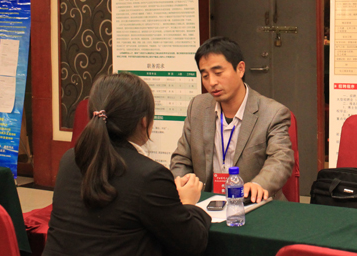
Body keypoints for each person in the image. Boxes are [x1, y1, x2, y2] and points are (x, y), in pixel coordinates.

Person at [44, 74, 211, 256]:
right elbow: (192, 243)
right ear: (144, 121)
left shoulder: (70, 159)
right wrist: (187, 203)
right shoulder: (149, 176)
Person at [171, 37, 294, 202]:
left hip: (252, 203)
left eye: (218, 73)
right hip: (206, 203)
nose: (212, 82)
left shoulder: (273, 113)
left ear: (240, 69)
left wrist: (258, 184)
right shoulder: (197, 107)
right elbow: (181, 159)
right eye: (205, 75)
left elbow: (281, 159)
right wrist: (183, 183)